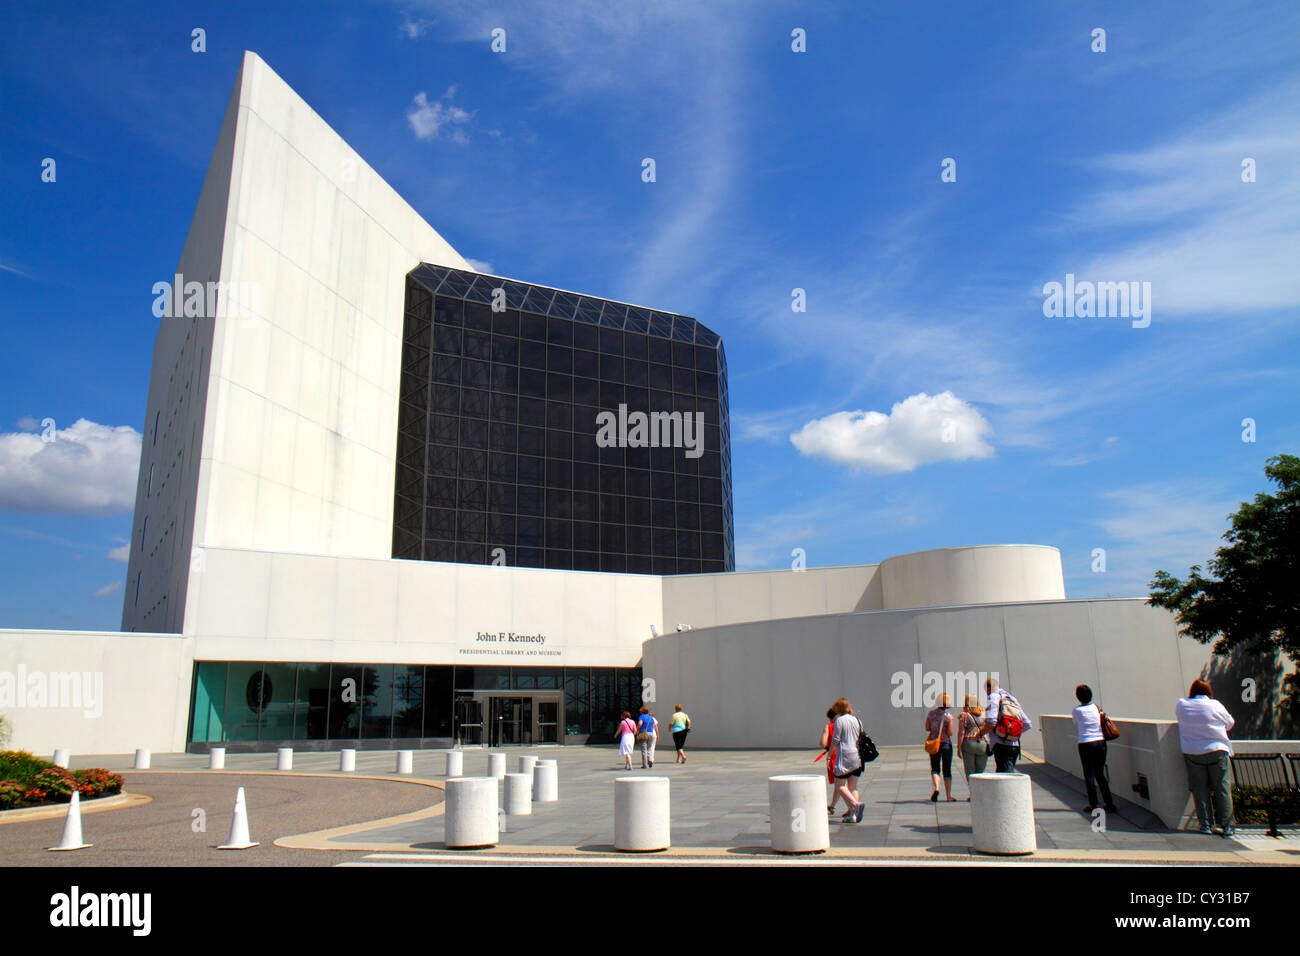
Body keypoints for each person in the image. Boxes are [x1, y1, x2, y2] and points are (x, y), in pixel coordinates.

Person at [1176, 678, 1236, 837]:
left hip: (1193, 751)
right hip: (1217, 749)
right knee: (1222, 788)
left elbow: (1180, 720)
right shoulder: (1215, 705)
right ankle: (1227, 825)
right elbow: (1229, 723)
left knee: (1199, 788)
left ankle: (1206, 825)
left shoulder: (1182, 704)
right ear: (1208, 692)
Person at [1071, 684, 1117, 814]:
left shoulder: (1077, 710)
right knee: (1100, 774)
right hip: (1100, 742)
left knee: (1089, 774)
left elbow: (1076, 723)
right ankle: (1109, 803)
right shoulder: (1096, 708)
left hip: (1086, 743)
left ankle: (1093, 804)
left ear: (1078, 697)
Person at [980, 677, 1032, 772]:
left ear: (988, 689)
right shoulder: (1012, 699)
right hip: (1015, 745)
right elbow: (1027, 724)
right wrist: (1012, 734)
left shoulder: (993, 696)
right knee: (1007, 774)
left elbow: (991, 722)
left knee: (1005, 778)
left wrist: (980, 734)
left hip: (1000, 745)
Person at [828, 697, 865, 823]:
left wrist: (829, 753)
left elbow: (836, 739)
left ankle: (855, 806)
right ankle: (852, 815)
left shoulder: (839, 721)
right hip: (857, 755)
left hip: (844, 756)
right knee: (853, 787)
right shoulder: (857, 720)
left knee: (840, 786)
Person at [925, 692, 956, 801]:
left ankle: (937, 788)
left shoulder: (930, 714)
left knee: (935, 768)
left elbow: (927, 728)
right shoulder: (949, 717)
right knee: (947, 769)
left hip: (934, 743)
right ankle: (948, 796)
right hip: (946, 744)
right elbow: (950, 732)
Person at [956, 694, 987, 798]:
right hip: (983, 743)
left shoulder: (964, 715)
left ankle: (973, 794)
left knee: (970, 771)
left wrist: (959, 748)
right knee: (981, 771)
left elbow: (961, 732)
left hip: (969, 742)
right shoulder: (984, 713)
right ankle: (981, 793)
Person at [818, 707, 841, 815]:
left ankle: (853, 805)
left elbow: (823, 743)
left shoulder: (829, 727)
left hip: (834, 756)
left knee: (839, 784)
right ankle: (833, 805)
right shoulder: (847, 724)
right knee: (850, 785)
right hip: (850, 755)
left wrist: (828, 746)